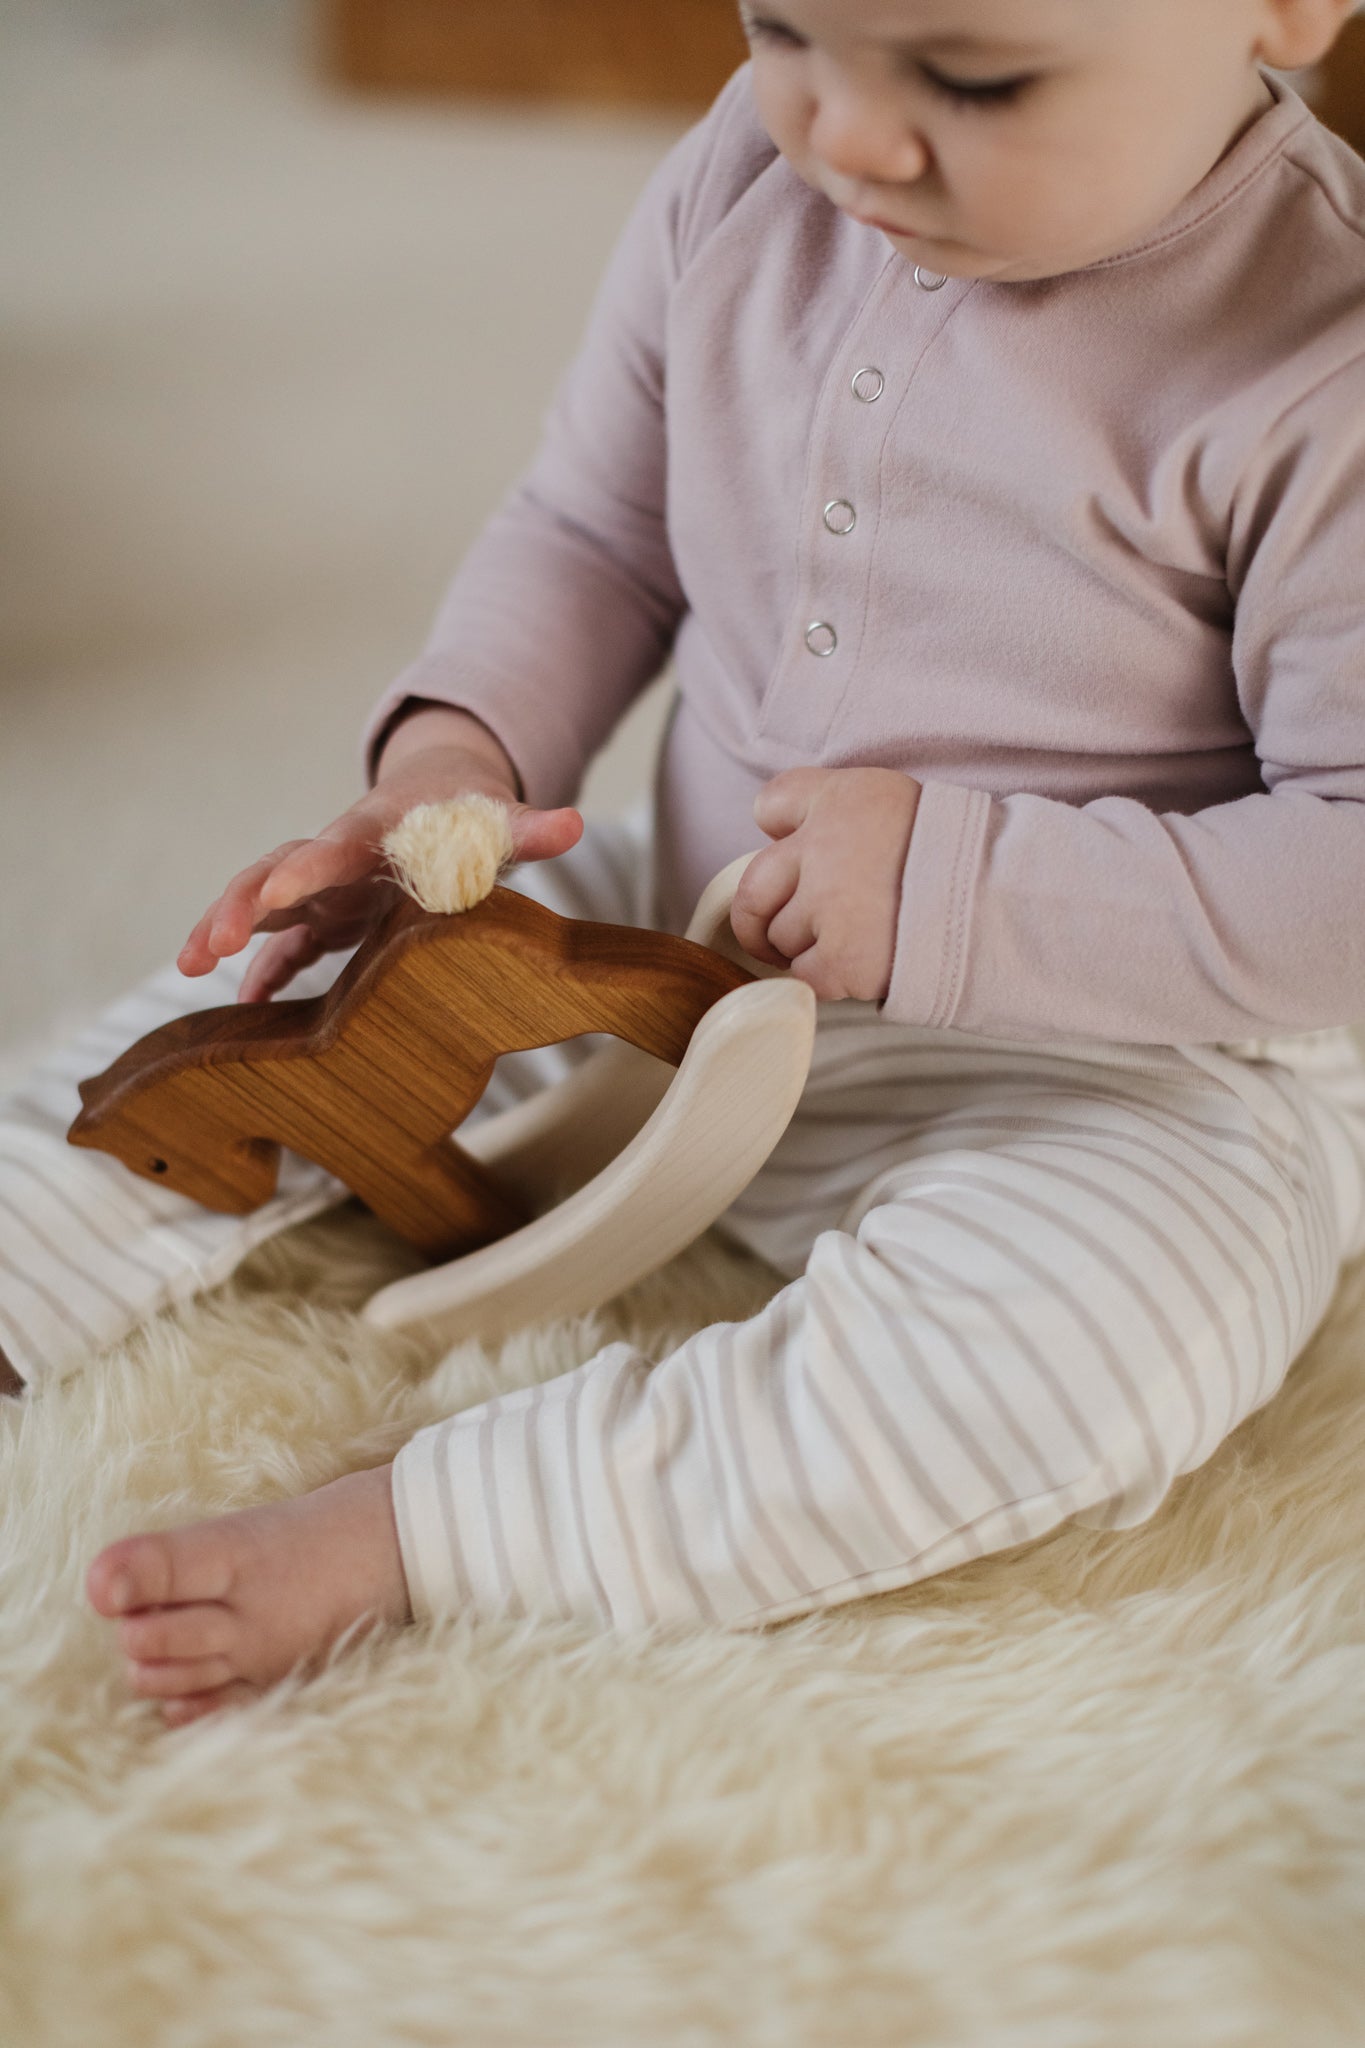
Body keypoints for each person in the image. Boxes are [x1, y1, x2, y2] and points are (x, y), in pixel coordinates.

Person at [6, 0, 1362, 1722]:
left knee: (1131, 1324)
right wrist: (459, 764)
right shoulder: (746, 169)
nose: (848, 135)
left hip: (1107, 1071)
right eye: (786, 24)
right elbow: (589, 528)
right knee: (289, 975)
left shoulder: (1323, 362)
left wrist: (963, 886)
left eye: (971, 76)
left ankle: (451, 1527)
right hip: (672, 933)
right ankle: (26, 1242)